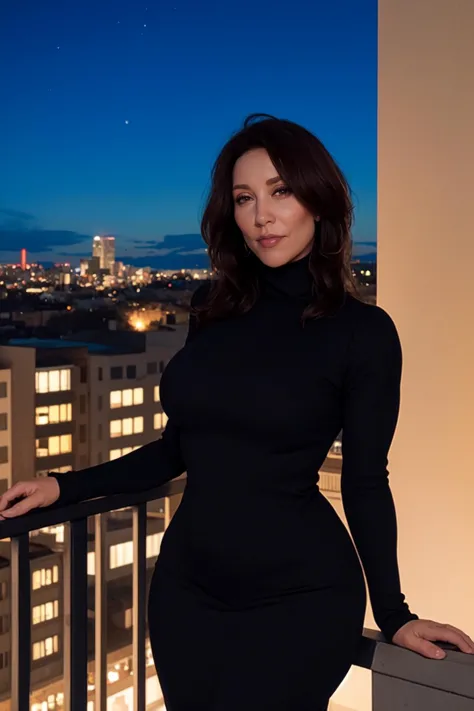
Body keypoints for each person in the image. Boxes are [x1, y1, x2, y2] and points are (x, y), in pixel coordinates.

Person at [1, 114, 473, 710]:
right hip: (186, 593)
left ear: (318, 202)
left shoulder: (363, 333)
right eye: (244, 198)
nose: (261, 215)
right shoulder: (210, 307)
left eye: (281, 191)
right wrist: (62, 486)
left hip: (300, 598)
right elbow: (178, 450)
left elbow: (365, 479)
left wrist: (395, 613)